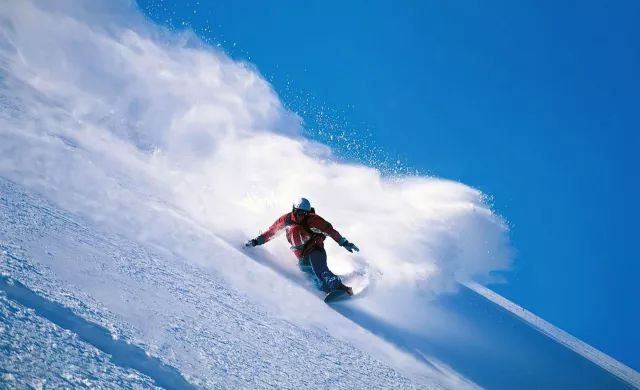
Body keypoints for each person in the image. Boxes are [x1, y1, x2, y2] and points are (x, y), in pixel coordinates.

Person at [245, 197, 359, 295]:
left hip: (315, 247)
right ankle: (335, 291)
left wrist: (344, 242)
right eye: (300, 214)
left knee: (320, 269)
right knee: (314, 279)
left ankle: (339, 287)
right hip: (301, 255)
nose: (302, 217)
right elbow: (271, 233)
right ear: (294, 210)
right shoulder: (286, 220)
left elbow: (330, 231)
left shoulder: (313, 220)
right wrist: (256, 241)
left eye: (305, 214)